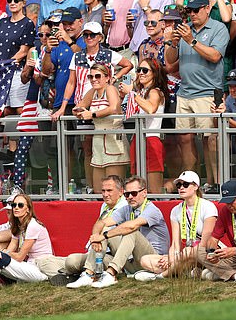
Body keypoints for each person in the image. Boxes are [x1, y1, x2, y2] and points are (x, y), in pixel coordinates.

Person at [164, 0, 229, 180]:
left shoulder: (218, 28)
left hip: (208, 91)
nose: (192, 14)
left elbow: (215, 56)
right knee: (184, 138)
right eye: (189, 11)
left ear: (207, 8)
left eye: (196, 10)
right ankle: (192, 180)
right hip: (185, 92)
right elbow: (169, 62)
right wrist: (173, 43)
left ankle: (214, 180)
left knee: (210, 139)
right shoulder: (186, 29)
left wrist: (191, 40)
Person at [85, 176, 170, 288]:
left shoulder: (152, 210)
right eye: (127, 194)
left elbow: (131, 226)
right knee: (75, 260)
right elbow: (101, 223)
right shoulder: (127, 209)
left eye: (134, 193)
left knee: (131, 232)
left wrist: (104, 236)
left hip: (154, 261)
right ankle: (88, 274)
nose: (130, 197)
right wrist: (96, 237)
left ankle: (111, 273)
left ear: (144, 193)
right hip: (132, 261)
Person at [136, 171, 218, 281]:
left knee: (188, 252)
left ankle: (161, 276)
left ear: (195, 187)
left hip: (205, 252)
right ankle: (186, 271)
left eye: (185, 185)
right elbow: (175, 244)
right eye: (179, 185)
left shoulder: (208, 206)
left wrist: (177, 258)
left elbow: (205, 242)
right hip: (185, 256)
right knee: (145, 260)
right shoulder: (176, 210)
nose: (181, 188)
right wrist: (171, 258)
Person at [59, 175, 127, 288]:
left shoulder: (125, 206)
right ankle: (84, 272)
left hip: (118, 255)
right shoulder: (105, 205)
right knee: (71, 261)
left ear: (121, 192)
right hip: (99, 252)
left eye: (109, 190)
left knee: (105, 232)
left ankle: (88, 274)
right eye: (103, 191)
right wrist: (95, 238)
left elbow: (107, 230)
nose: (105, 194)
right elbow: (98, 224)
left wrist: (98, 237)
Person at [74, 63, 129, 191]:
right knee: (99, 190)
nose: (94, 79)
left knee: (114, 188)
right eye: (91, 77)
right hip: (98, 140)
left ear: (107, 77)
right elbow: (79, 105)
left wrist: (92, 114)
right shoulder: (92, 92)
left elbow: (114, 108)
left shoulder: (110, 89)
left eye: (97, 76)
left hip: (113, 138)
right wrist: (78, 111)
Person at [119, 58, 168, 193]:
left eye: (145, 70)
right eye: (138, 70)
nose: (141, 73)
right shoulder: (141, 92)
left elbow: (151, 108)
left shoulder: (155, 91)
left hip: (151, 138)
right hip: (138, 138)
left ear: (154, 73)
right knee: (137, 184)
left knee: (153, 187)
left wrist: (132, 93)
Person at [0, 0, 36, 115]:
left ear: (23, 3)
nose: (12, 3)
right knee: (3, 109)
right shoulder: (2, 22)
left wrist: (7, 63)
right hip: (0, 70)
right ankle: (6, 135)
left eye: (16, 0)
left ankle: (22, 134)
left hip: (17, 70)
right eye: (9, 0)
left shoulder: (27, 23)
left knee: (19, 107)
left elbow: (24, 50)